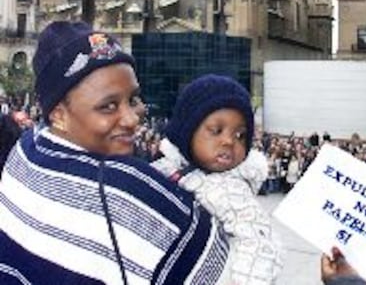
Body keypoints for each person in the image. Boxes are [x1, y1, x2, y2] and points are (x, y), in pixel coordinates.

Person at [0, 21, 230, 285]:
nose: (132, 119)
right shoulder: (130, 191)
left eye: (133, 99)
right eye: (108, 106)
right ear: (58, 114)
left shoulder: (25, 150)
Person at [152, 73, 284, 285]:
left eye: (240, 135)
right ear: (187, 130)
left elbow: (260, 246)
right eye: (216, 130)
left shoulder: (231, 190)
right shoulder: (164, 168)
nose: (228, 141)